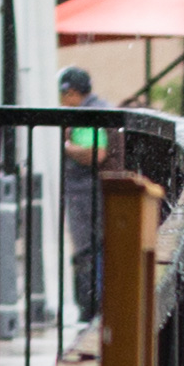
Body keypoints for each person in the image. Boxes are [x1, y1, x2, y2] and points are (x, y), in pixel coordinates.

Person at [58, 65, 112, 317]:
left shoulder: (88, 114)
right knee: (97, 248)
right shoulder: (99, 108)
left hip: (87, 193)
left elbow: (96, 153)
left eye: (63, 95)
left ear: (71, 92)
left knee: (87, 250)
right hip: (95, 193)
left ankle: (90, 309)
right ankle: (95, 305)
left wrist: (67, 146)